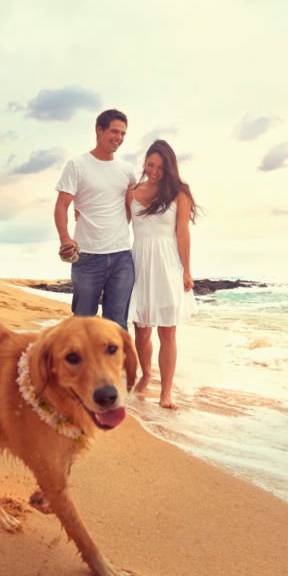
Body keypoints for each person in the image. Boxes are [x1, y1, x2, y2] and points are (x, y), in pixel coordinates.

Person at [127, 139, 198, 409]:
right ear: (145, 163)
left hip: (168, 265)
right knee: (142, 330)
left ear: (169, 167)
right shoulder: (132, 192)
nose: (155, 171)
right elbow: (116, 222)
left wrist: (187, 270)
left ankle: (165, 393)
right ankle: (146, 373)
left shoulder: (179, 193)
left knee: (168, 332)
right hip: (139, 263)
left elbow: (183, 233)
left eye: (160, 167)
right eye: (151, 165)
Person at [54, 109, 137, 331]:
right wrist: (65, 239)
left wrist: (118, 229)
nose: (119, 138)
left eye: (123, 134)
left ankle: (115, 358)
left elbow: (132, 207)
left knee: (117, 325)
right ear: (99, 130)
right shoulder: (77, 165)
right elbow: (61, 205)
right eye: (114, 131)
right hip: (87, 257)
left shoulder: (128, 171)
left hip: (122, 256)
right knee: (83, 323)